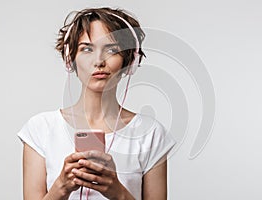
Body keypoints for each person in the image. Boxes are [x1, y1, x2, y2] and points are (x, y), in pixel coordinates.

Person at [18, 7, 175, 200]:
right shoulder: (40, 129)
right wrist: (61, 187)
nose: (99, 61)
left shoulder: (150, 133)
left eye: (112, 49)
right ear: (70, 58)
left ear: (129, 61)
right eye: (87, 49)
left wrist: (118, 192)